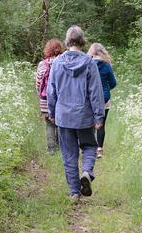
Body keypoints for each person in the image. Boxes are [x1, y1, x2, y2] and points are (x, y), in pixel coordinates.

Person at [47, 26, 105, 199]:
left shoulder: (57, 63)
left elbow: (52, 91)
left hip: (64, 116)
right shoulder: (89, 63)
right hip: (84, 116)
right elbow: (96, 92)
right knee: (89, 146)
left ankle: (74, 192)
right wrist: (99, 115)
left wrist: (51, 111)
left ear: (67, 41)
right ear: (82, 41)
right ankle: (87, 172)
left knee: (69, 154)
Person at [87, 43, 117, 159]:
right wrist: (105, 89)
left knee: (90, 124)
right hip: (104, 99)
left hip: (90, 98)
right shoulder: (106, 65)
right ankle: (99, 150)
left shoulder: (87, 64)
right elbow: (113, 83)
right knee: (102, 124)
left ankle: (90, 148)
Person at [36, 39, 64, 155]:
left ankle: (51, 150)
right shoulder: (63, 62)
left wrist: (41, 96)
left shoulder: (42, 64)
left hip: (45, 99)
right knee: (60, 123)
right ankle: (60, 147)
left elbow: (38, 83)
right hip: (61, 99)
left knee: (49, 123)